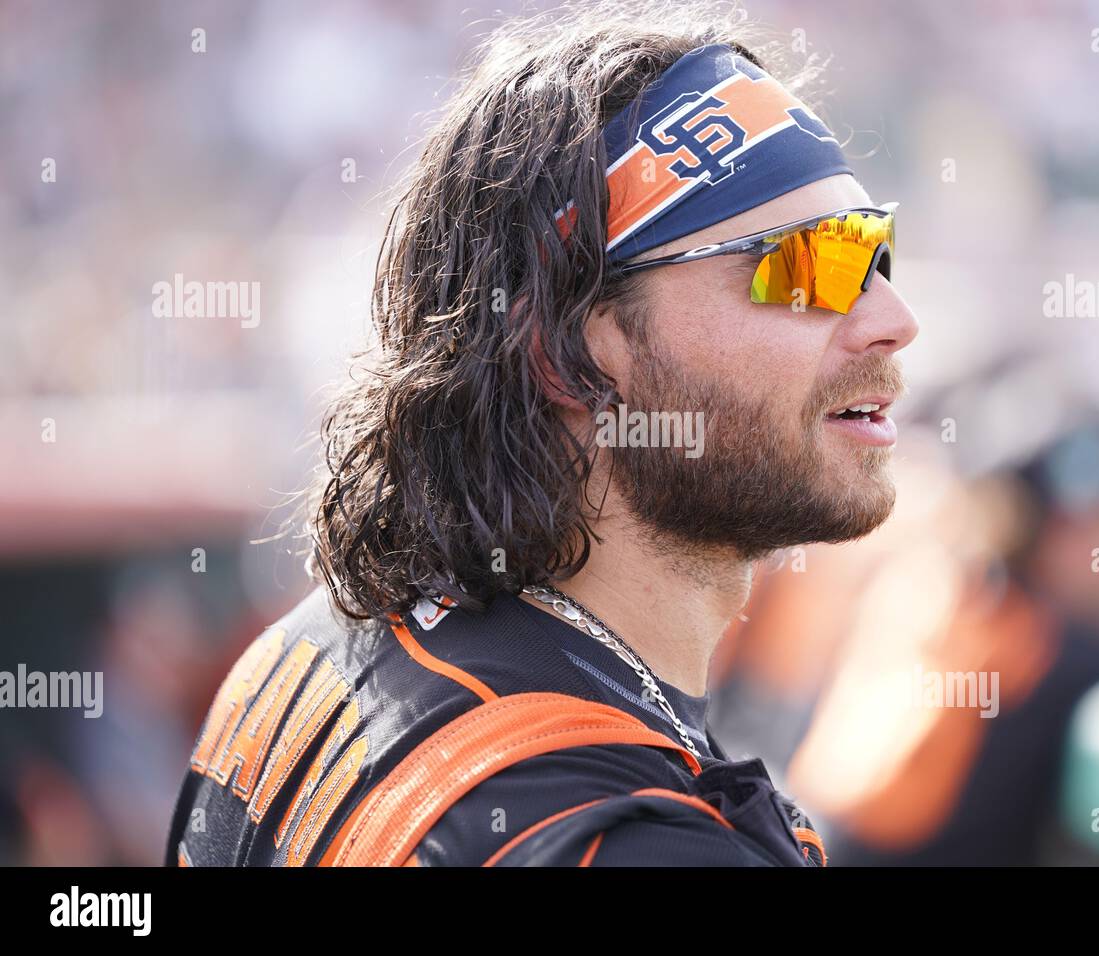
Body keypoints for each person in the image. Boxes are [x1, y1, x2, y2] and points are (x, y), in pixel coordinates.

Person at [164, 0, 918, 867]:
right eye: (813, 265)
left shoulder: (305, 654)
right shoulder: (632, 843)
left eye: (876, 253)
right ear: (568, 357)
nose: (894, 319)